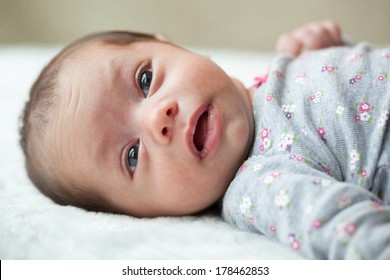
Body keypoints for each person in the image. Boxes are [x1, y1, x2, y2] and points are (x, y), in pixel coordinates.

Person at [20, 20, 390, 259]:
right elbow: (351, 233)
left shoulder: (278, 72)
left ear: (172, 45)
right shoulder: (262, 183)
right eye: (132, 156)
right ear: (146, 213)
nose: (156, 120)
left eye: (145, 81)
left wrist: (334, 46)